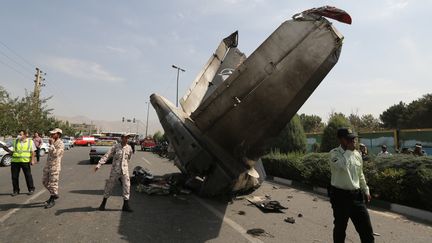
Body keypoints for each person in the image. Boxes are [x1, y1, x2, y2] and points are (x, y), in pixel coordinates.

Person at [328, 128, 374, 243]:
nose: (353, 141)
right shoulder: (334, 153)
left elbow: (360, 174)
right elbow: (342, 166)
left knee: (366, 230)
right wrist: (348, 151)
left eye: (354, 138)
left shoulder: (357, 154)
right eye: (349, 138)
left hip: (357, 197)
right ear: (341, 139)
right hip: (340, 197)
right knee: (340, 229)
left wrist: (366, 189)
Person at [95, 133, 133, 212]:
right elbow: (107, 155)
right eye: (125, 138)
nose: (126, 139)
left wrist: (125, 166)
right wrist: (99, 164)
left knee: (127, 186)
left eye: (128, 138)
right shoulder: (116, 147)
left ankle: (126, 205)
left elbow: (129, 158)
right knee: (109, 186)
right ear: (122, 138)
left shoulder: (129, 148)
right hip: (115, 171)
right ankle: (103, 203)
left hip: (125, 170)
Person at [0, 130, 36, 196]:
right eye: (19, 134)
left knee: (28, 176)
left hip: (25, 161)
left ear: (25, 135)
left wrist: (32, 160)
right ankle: (16, 190)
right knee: (14, 177)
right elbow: (5, 146)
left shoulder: (30, 142)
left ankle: (31, 189)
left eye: (21, 134)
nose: (19, 135)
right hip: (15, 161)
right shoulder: (15, 141)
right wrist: (10, 152)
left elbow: (33, 152)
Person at [42, 128, 65, 209]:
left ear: (58, 134)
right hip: (48, 166)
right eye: (51, 134)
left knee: (53, 184)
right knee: (44, 182)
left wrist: (51, 145)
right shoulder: (53, 142)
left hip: (55, 167)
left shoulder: (60, 144)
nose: (51, 135)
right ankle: (54, 195)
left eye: (53, 134)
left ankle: (52, 199)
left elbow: (56, 154)